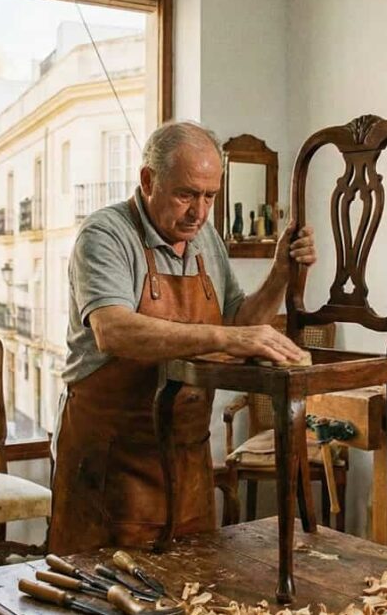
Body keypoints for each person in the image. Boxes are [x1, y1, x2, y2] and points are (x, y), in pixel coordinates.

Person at [49, 121, 316, 554]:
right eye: (186, 195)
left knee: (194, 581)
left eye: (210, 196)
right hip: (115, 462)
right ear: (148, 180)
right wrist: (228, 340)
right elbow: (113, 330)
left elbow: (237, 321)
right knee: (107, 586)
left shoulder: (205, 237)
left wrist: (280, 274)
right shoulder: (105, 234)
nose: (200, 212)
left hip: (188, 460)